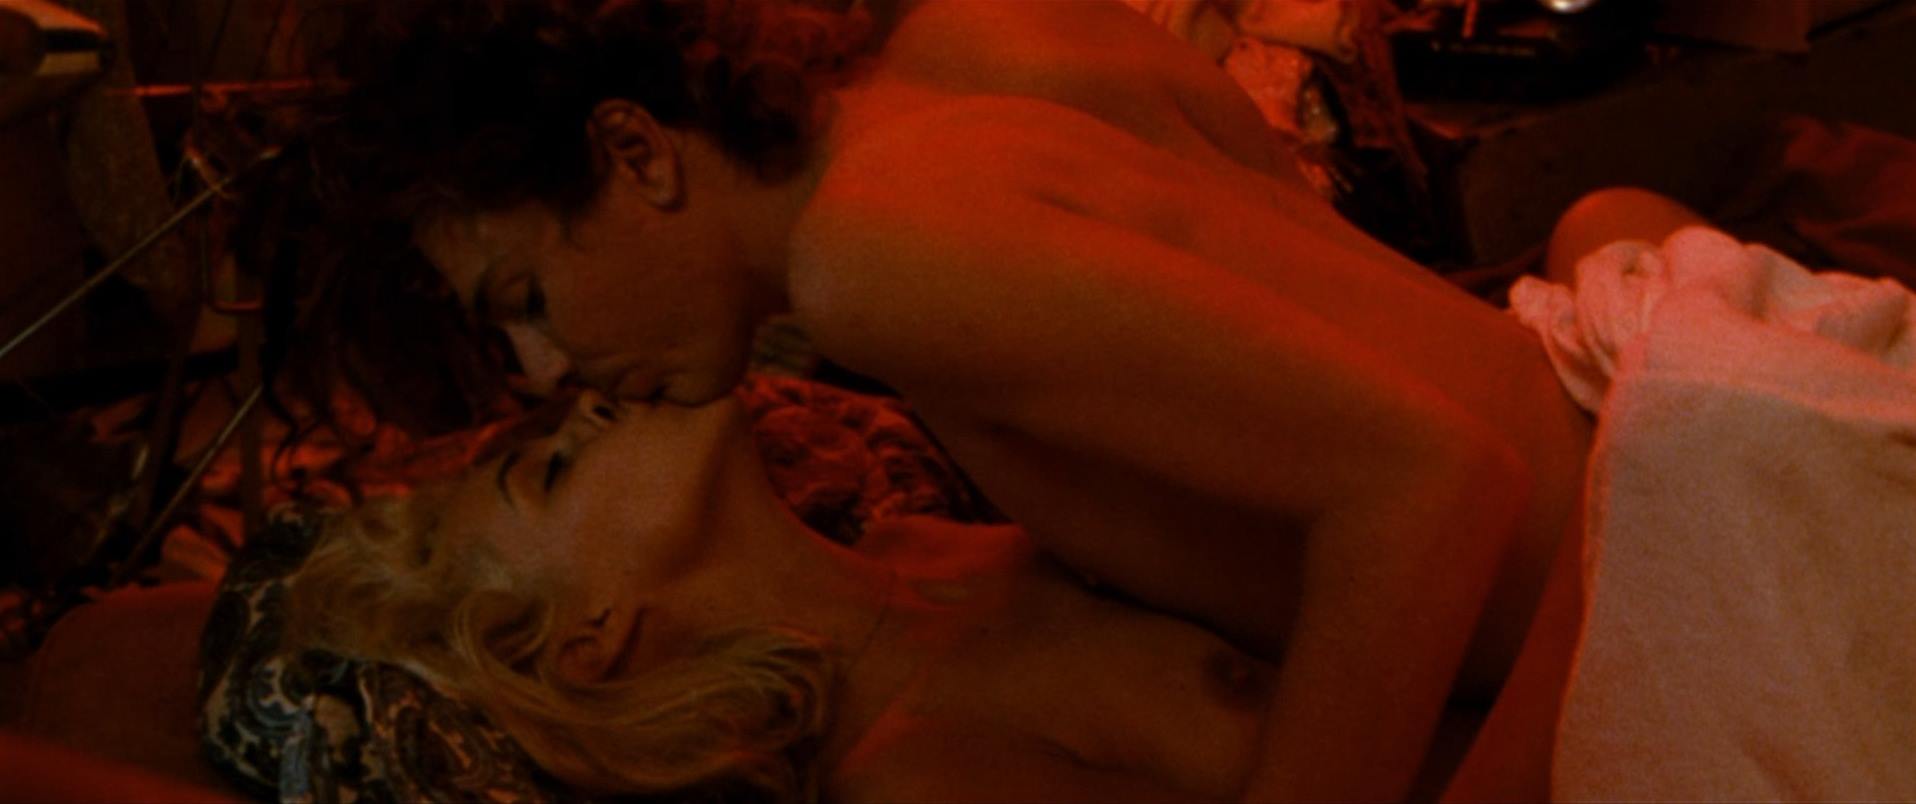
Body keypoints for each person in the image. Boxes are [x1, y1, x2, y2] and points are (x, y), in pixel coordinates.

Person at [286, 1, 1598, 798]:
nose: (541, 369)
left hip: (1626, 560)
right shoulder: (978, 41)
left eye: (525, 296)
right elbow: (1370, 341)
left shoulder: (867, 262)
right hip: (1606, 454)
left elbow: (1436, 480)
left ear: (634, 152)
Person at [283, 387, 1447, 801]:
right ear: (594, 635)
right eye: (547, 470)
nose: (578, 404)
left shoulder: (917, 529)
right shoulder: (917, 769)